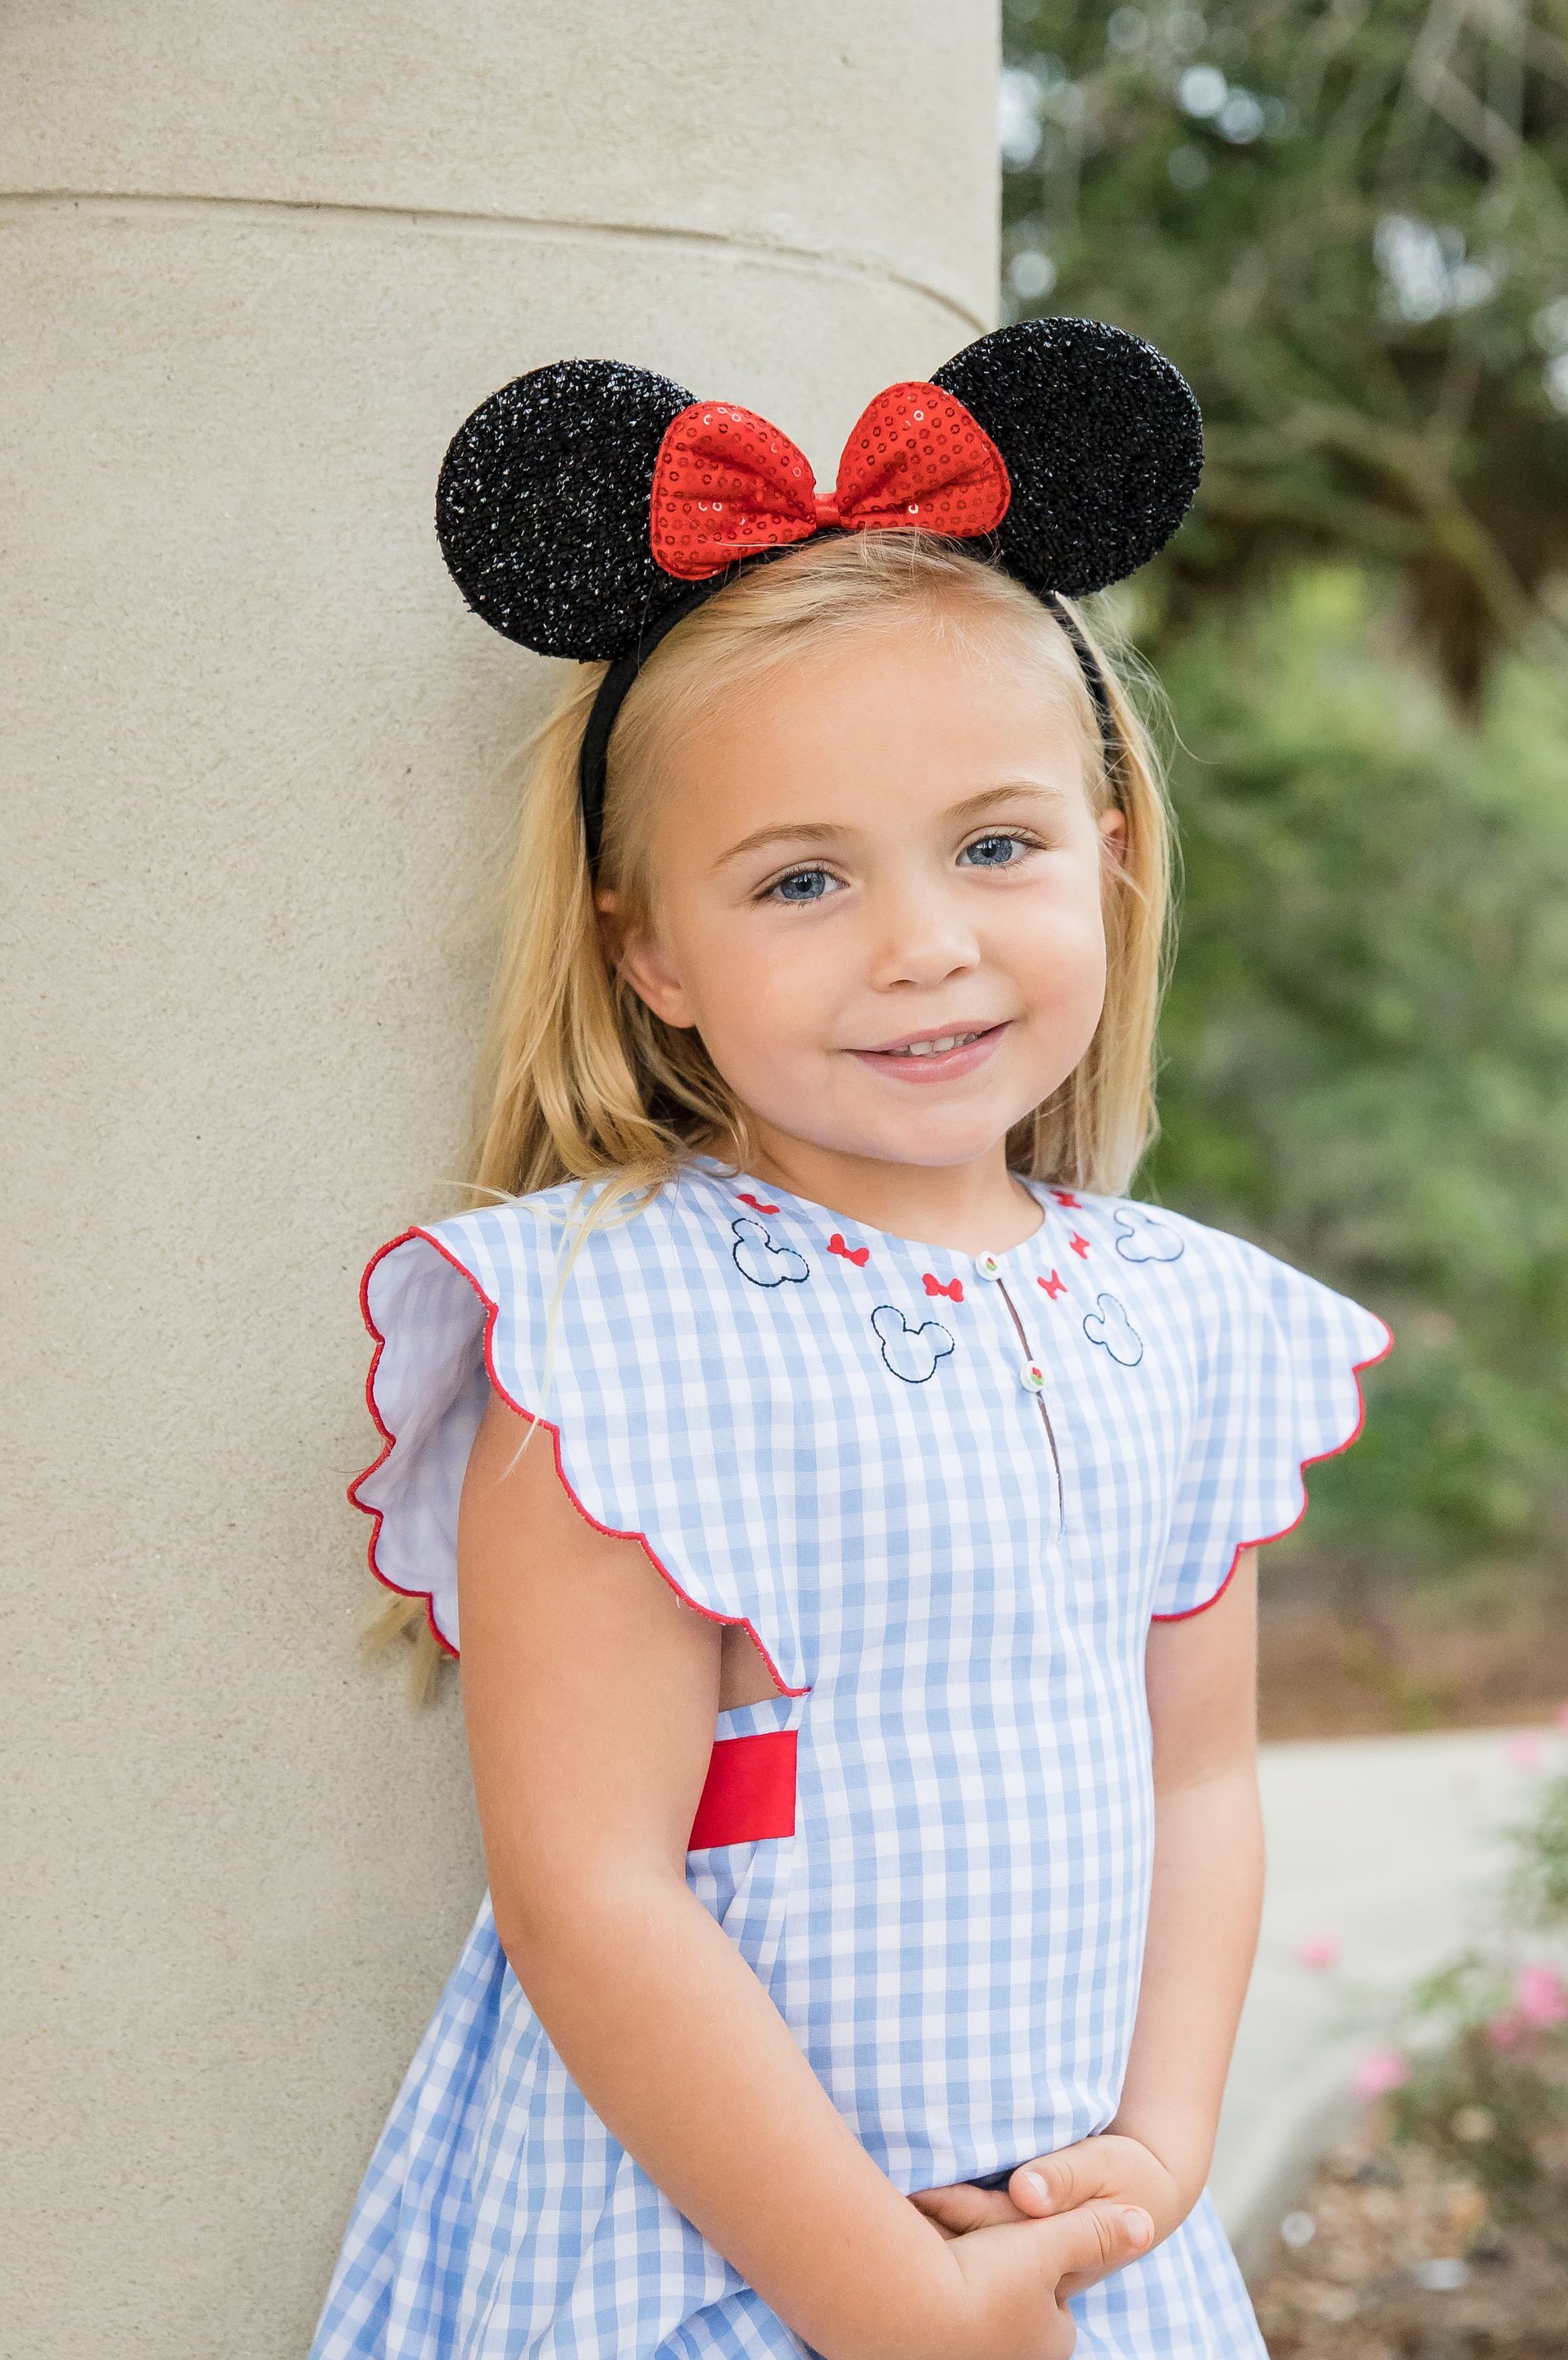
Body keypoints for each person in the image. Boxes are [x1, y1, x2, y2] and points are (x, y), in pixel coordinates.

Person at [310, 320, 1393, 2360]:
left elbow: (1201, 1788)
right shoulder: (612, 1326)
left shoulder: (1181, 1318)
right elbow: (589, 1894)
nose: (926, 944)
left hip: (1075, 2242)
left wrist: (1156, 2160)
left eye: (997, 845)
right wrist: (889, 2303)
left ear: (1110, 854)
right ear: (653, 953)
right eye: (803, 878)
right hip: (723, 2260)